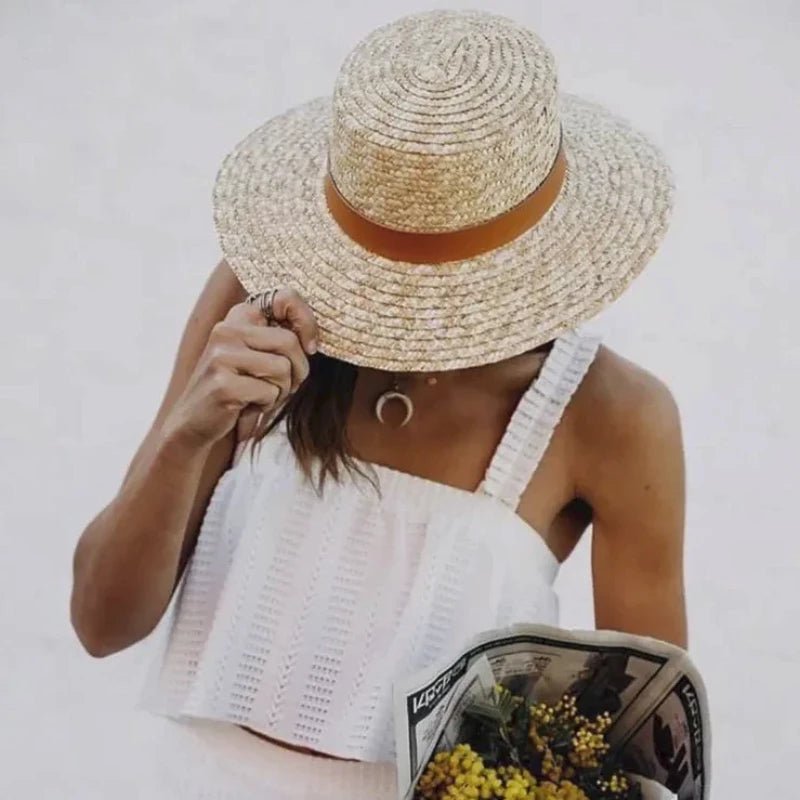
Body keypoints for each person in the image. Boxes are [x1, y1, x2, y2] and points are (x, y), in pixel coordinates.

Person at [69, 9, 685, 799]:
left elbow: (647, 761)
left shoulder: (612, 414)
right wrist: (191, 431)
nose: (420, 296)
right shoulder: (259, 308)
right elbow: (100, 622)